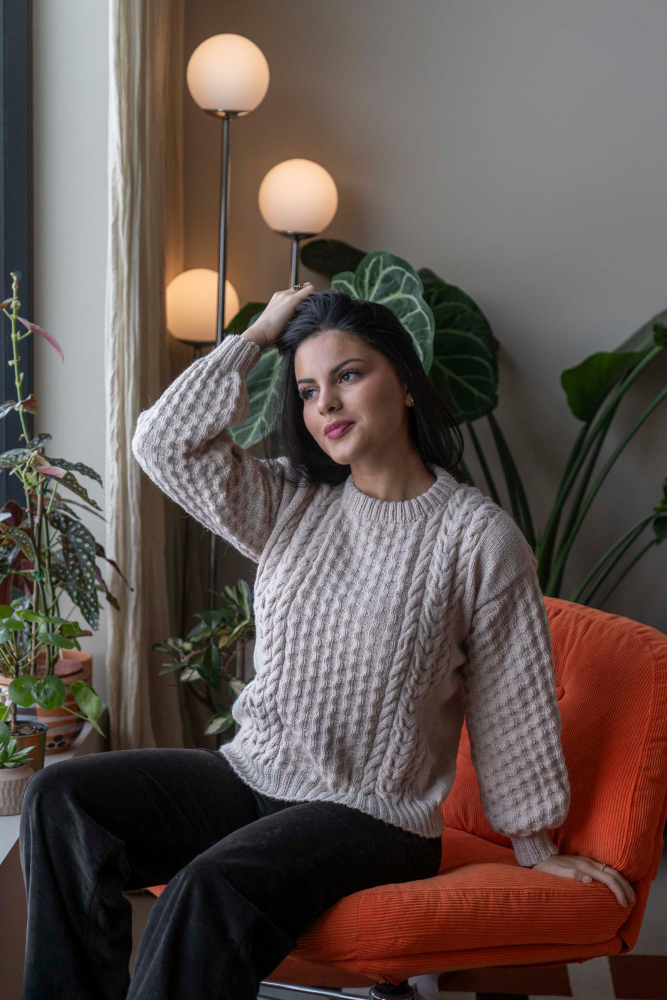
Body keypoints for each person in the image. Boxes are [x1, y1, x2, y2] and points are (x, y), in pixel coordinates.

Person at [19, 284, 635, 1000]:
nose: (326, 405)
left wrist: (532, 847)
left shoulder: (477, 538)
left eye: (348, 375)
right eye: (308, 391)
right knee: (60, 798)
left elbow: (511, 702)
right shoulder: (290, 503)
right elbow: (163, 443)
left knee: (208, 888)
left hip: (373, 818)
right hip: (251, 778)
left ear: (405, 382)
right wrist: (259, 334)